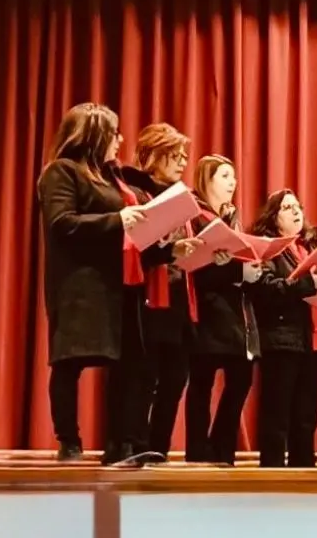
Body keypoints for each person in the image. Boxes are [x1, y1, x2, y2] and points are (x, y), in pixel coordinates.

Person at [36, 103, 199, 466]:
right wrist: (118, 218)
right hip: (79, 286)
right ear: (93, 135)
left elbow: (135, 237)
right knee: (69, 363)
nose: (120, 140)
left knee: (130, 367)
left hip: (121, 284)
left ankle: (122, 445)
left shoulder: (111, 177)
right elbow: (63, 223)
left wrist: (171, 250)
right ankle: (70, 442)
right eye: (114, 134)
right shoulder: (61, 172)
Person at [120, 123, 200, 459]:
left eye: (184, 156)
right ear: (152, 155)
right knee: (144, 380)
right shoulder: (136, 193)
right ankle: (137, 446)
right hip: (149, 300)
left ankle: (158, 448)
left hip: (181, 302)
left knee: (174, 381)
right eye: (174, 155)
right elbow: (136, 246)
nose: (182, 162)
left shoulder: (183, 199)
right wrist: (172, 249)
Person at [248, 189, 317, 467]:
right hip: (282, 341)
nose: (296, 211)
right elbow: (266, 289)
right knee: (277, 416)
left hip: (313, 342)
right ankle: (273, 477)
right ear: (274, 218)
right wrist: (307, 284)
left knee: (306, 417)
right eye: (287, 208)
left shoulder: (309, 248)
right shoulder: (268, 249)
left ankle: (304, 474)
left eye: (298, 206)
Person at [183, 154, 264, 465]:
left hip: (234, 313)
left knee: (240, 380)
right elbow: (196, 267)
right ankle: (197, 451)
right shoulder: (196, 216)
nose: (233, 183)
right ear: (207, 180)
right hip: (205, 311)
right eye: (225, 176)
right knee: (201, 383)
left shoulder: (232, 218)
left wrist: (251, 269)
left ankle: (221, 447)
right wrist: (235, 272)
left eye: (233, 177)